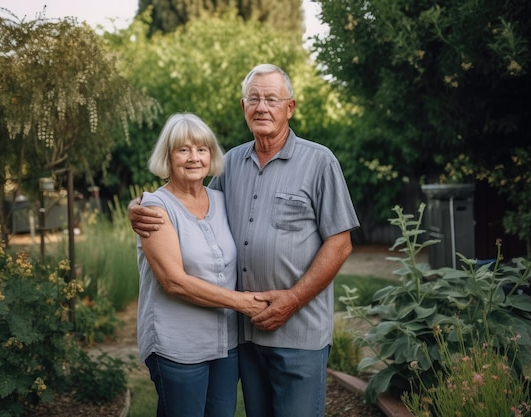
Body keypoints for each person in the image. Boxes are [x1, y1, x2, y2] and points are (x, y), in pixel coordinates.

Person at [130, 64, 360, 417]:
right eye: (254, 98)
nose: (262, 107)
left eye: (271, 98)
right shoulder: (230, 165)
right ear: (243, 107)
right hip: (245, 336)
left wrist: (292, 301)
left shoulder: (319, 162)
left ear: (290, 107)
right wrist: (140, 206)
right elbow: (190, 205)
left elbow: (340, 243)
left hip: (299, 332)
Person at [135, 112, 268, 417]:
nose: (194, 157)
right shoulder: (156, 207)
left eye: (202, 149)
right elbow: (173, 281)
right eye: (183, 150)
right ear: (167, 157)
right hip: (177, 345)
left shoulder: (221, 200)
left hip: (224, 344)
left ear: (211, 155)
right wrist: (242, 303)